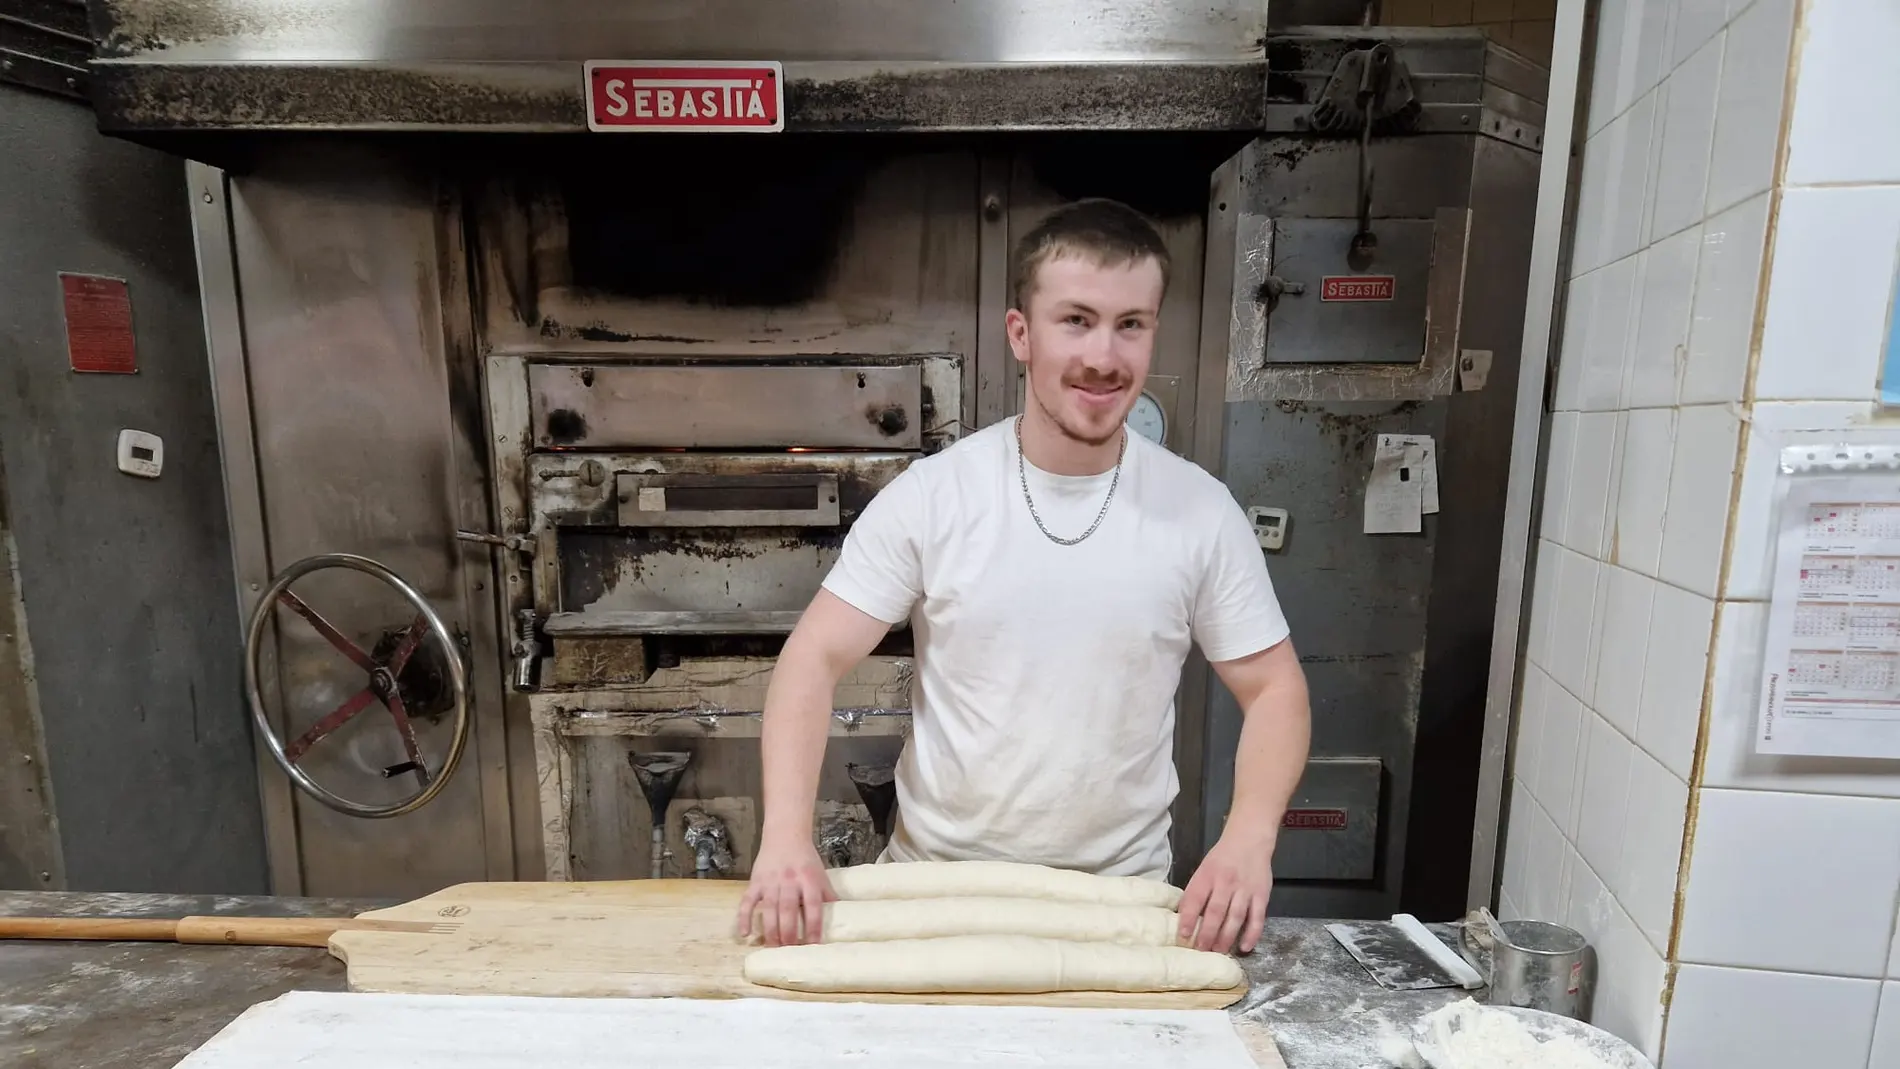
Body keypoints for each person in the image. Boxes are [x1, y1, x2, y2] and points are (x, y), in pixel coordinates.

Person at [736, 197, 1310, 958]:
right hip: (936, 895)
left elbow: (1275, 689)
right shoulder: (935, 496)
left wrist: (1247, 839)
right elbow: (813, 659)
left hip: (1119, 906)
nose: (1104, 356)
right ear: (1022, 334)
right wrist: (784, 837)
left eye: (1130, 323)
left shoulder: (1199, 513)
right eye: (1076, 319)